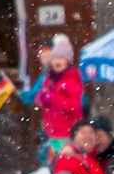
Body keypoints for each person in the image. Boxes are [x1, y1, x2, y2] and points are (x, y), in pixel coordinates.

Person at [34, 33, 84, 165]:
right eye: (55, 57)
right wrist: (41, 98)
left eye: (62, 58)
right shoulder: (50, 78)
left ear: (68, 61)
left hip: (67, 133)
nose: (57, 61)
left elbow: (73, 105)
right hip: (52, 132)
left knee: (66, 164)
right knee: (54, 164)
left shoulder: (72, 80)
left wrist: (52, 98)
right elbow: (41, 98)